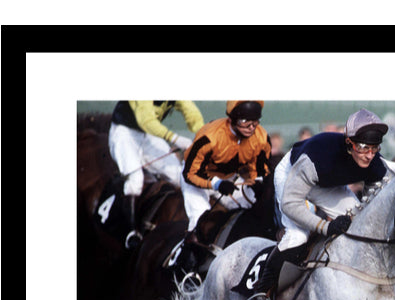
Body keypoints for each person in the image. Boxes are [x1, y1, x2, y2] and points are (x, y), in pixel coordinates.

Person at [239, 108, 389, 300]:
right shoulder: (317, 158)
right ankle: (260, 297)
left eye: (374, 148)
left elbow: (372, 198)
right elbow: (291, 204)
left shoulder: (375, 163)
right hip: (293, 177)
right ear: (349, 143)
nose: (369, 155)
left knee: (357, 224)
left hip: (327, 183)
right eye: (363, 148)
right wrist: (325, 226)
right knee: (298, 236)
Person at [171, 101, 272, 276]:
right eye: (245, 122)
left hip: (230, 179)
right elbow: (190, 173)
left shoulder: (261, 137)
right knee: (200, 217)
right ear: (232, 120)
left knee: (253, 207)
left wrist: (257, 182)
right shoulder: (210, 136)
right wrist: (216, 184)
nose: (251, 127)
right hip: (196, 178)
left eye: (255, 121)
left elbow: (261, 170)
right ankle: (184, 268)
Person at [107, 100, 205, 247]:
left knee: (178, 175)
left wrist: (202, 135)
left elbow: (191, 111)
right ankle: (131, 232)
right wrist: (175, 139)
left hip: (147, 135)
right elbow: (146, 121)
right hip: (124, 132)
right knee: (135, 179)